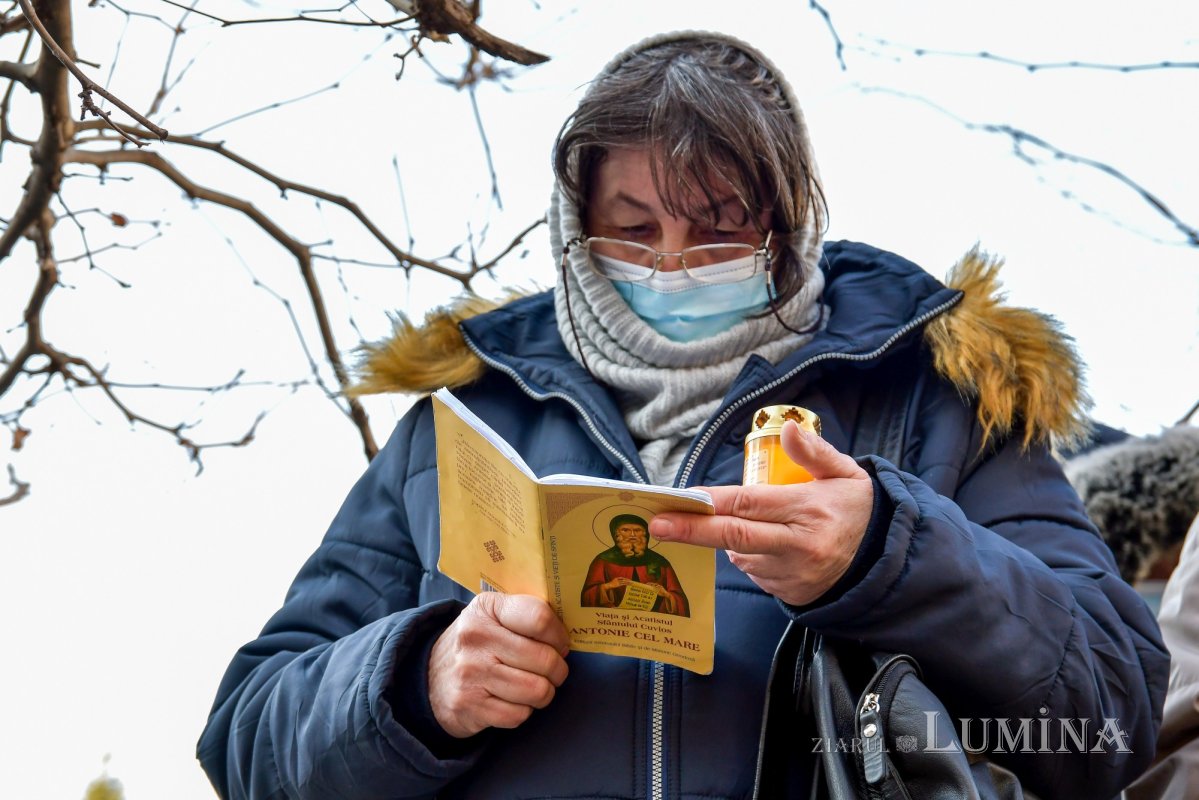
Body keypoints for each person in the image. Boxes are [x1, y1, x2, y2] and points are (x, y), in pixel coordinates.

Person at [197, 31, 1167, 799]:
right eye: (631, 228)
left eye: (715, 225)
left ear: (783, 221)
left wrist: (890, 553)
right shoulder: (460, 421)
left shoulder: (940, 398)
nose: (670, 260)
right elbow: (245, 740)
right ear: (576, 228)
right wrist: (417, 681)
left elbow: (1109, 723)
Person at [581, 513, 690, 616]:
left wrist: (666, 595)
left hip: (653, 621)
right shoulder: (603, 560)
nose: (632, 535)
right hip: (614, 619)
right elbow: (587, 595)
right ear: (616, 534)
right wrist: (608, 586)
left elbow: (680, 599)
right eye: (625, 530)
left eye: (637, 530)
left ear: (645, 534)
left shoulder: (659, 561)